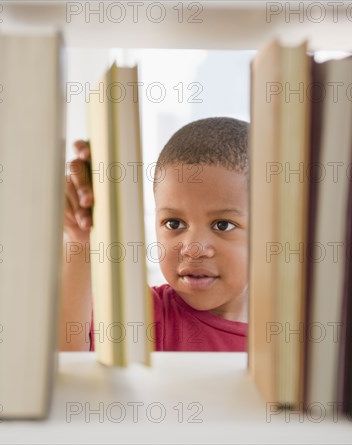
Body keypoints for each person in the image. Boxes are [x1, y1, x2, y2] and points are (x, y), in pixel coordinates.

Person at [61, 117, 249, 352]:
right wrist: (80, 241)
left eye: (223, 225)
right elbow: (66, 354)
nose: (192, 248)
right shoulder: (144, 315)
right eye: (174, 223)